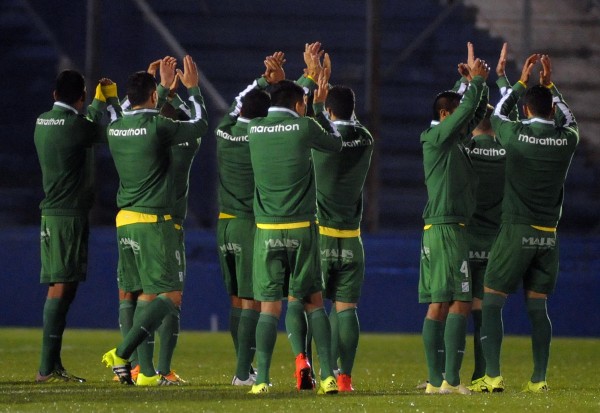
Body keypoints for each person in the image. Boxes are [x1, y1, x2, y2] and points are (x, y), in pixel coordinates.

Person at [470, 53, 579, 393]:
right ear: (550, 110)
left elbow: (500, 112)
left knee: (491, 299)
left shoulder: (515, 136)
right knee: (537, 306)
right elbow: (570, 119)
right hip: (548, 236)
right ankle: (539, 378)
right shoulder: (567, 139)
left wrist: (518, 81)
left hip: (517, 229)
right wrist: (550, 85)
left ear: (528, 111)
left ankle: (492, 375)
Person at [101, 55, 208, 386]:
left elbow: (124, 108)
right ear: (153, 97)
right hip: (156, 222)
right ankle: (122, 353)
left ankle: (146, 373)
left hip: (124, 222)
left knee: (144, 296)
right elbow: (200, 123)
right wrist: (192, 90)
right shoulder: (166, 131)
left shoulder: (115, 127)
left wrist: (156, 87)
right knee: (170, 297)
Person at [247, 65, 343, 395]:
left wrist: (296, 83)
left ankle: (260, 381)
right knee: (313, 302)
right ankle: (328, 376)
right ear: (300, 104)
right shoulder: (304, 126)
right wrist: (317, 106)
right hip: (302, 228)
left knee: (268, 308)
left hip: (267, 230)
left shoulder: (255, 129)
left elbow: (239, 106)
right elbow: (336, 143)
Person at [34, 71, 118, 383]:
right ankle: (46, 368)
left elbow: (87, 126)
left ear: (55, 94)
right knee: (62, 285)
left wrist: (95, 99)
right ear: (79, 98)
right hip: (68, 215)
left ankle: (52, 365)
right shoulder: (75, 126)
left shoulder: (44, 120)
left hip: (52, 213)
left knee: (61, 284)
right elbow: (105, 131)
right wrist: (106, 100)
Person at [419, 42, 489, 395]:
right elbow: (464, 117)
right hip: (447, 229)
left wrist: (478, 86)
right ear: (446, 115)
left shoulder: (450, 136)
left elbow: (473, 117)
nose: (463, 116)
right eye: (456, 111)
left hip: (444, 227)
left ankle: (437, 383)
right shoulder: (436, 137)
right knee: (458, 301)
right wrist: (472, 85)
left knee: (441, 303)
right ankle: (448, 381)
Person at [215, 52, 285, 386]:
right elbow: (285, 119)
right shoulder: (260, 136)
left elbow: (236, 102)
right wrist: (294, 83)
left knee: (236, 300)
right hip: (247, 224)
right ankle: (243, 372)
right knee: (253, 301)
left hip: (223, 223)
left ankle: (244, 366)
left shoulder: (224, 130)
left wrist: (262, 81)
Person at [312, 85, 373, 392]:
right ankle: (345, 377)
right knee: (346, 308)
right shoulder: (366, 139)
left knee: (313, 306)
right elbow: (350, 123)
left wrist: (317, 93)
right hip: (352, 238)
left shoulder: (322, 140)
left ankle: (323, 373)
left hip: (321, 235)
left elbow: (314, 120)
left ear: (330, 112)